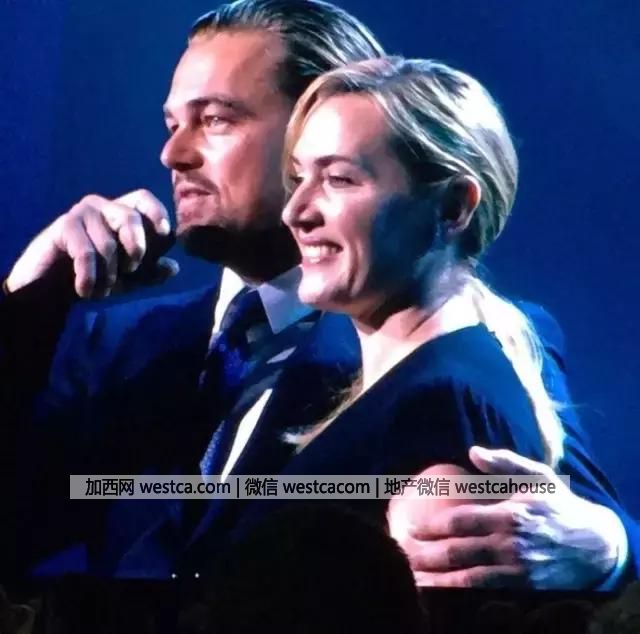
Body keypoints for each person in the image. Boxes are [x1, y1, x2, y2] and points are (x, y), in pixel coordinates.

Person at [0, 0, 635, 589]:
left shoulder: (456, 344)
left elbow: (565, 519)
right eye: (172, 123)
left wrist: (610, 550)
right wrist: (25, 300)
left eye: (216, 119)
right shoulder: (112, 341)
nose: (173, 153)